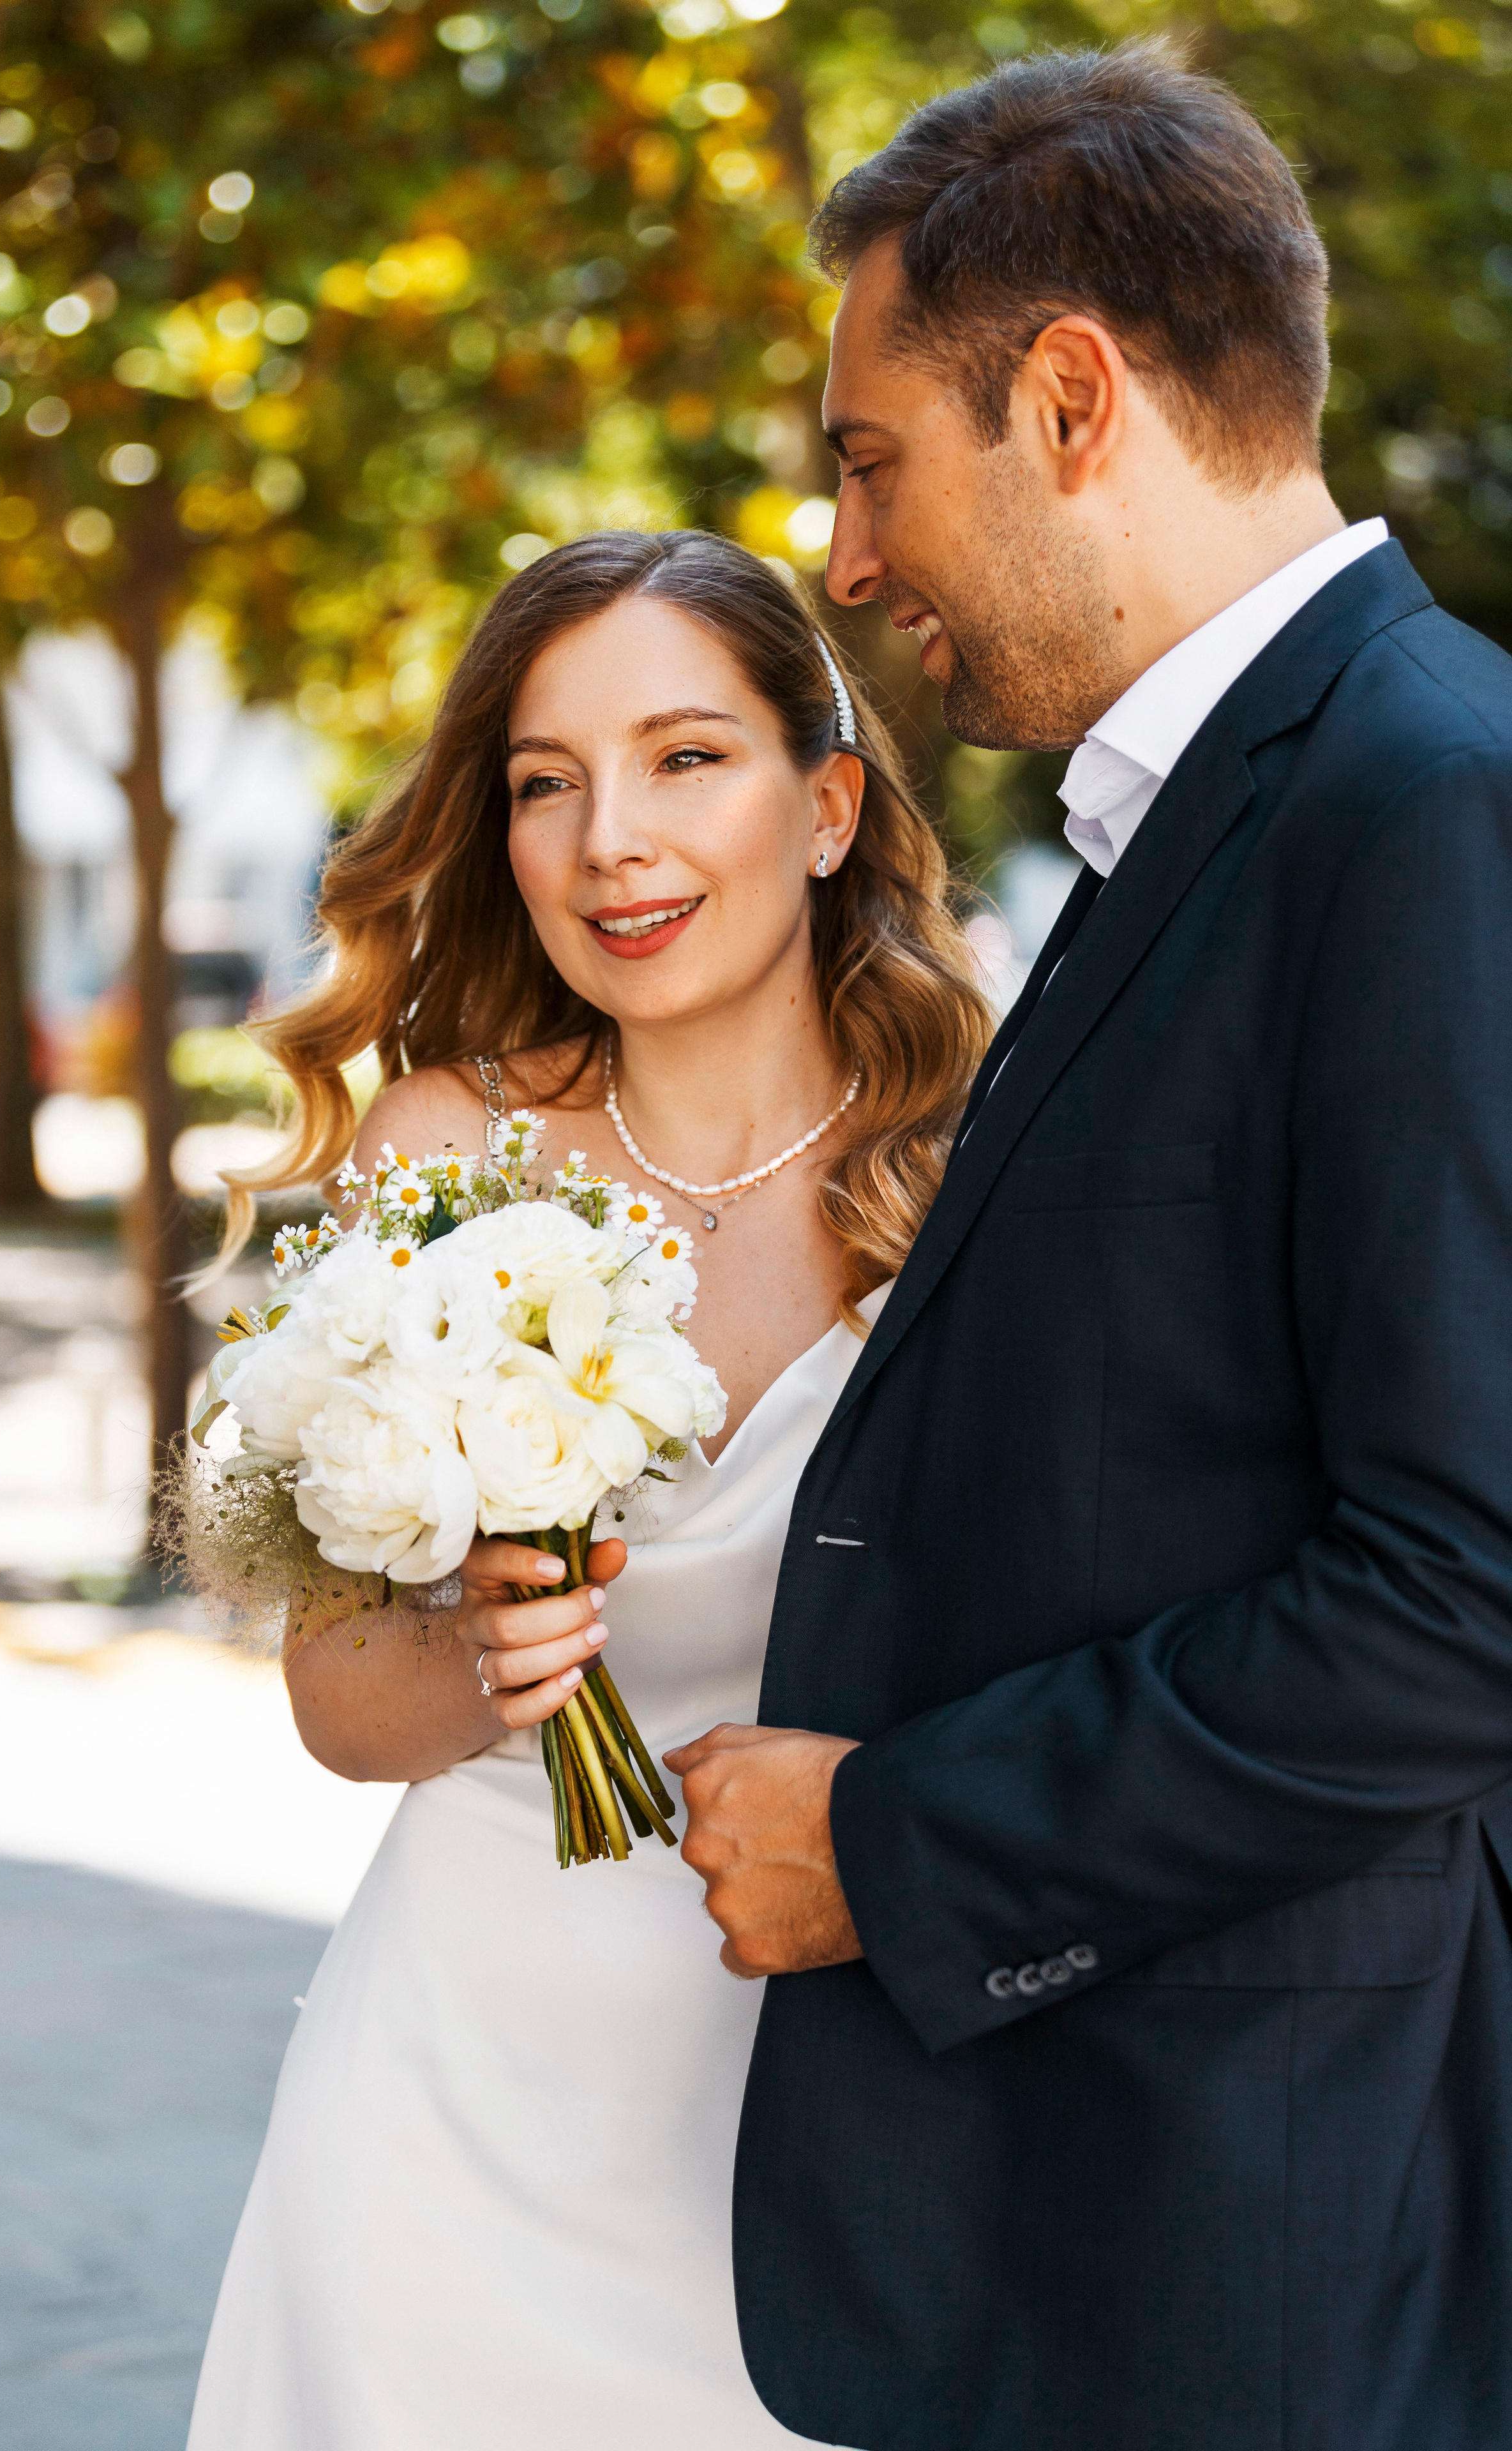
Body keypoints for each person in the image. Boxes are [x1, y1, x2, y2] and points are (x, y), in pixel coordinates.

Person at [668, 43, 1512, 2451]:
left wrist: (896, 1845)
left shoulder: (1430, 807)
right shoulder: (1229, 813)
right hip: (1113, 2228)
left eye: (865, 458)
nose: (840, 558)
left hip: (1267, 2261)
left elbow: (1469, 1590)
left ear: (1068, 398)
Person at [185, 529, 993, 2449]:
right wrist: (496, 1654)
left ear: (828, 807)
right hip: (455, 2111)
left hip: (830, 2110)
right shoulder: (446, 1146)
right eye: (546, 783)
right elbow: (338, 1703)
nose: (609, 837)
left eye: (685, 758)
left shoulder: (978, 1161)